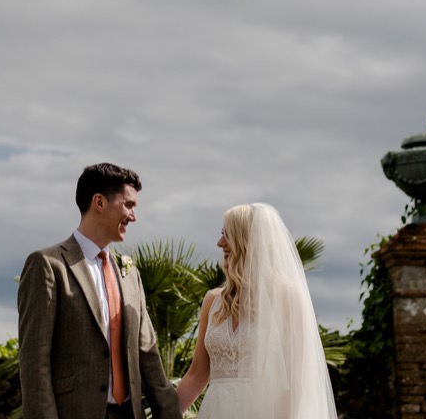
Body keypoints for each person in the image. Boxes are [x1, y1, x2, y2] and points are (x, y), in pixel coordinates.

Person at [18, 162, 181, 419]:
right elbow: (34, 361)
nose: (133, 216)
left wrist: (169, 413)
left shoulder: (130, 275)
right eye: (128, 205)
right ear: (99, 202)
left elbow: (148, 355)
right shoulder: (48, 265)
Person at [176, 203, 338, 419]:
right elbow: (197, 375)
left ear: (248, 241)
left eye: (227, 234)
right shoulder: (212, 301)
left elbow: (299, 381)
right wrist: (163, 414)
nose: (220, 242)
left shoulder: (288, 298)